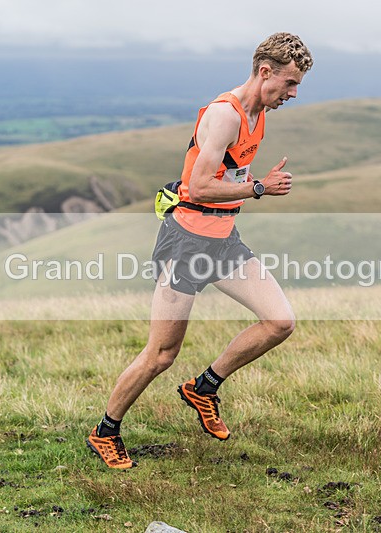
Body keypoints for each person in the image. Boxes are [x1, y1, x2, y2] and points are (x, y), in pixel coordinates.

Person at [86, 32, 313, 469]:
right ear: (265, 71)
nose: (294, 93)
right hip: (186, 243)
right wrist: (259, 187)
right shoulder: (224, 116)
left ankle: (204, 387)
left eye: (297, 85)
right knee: (161, 354)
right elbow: (199, 186)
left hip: (223, 241)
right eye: (289, 83)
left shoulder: (258, 113)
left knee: (280, 320)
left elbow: (227, 176)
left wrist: (248, 184)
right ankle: (105, 431)